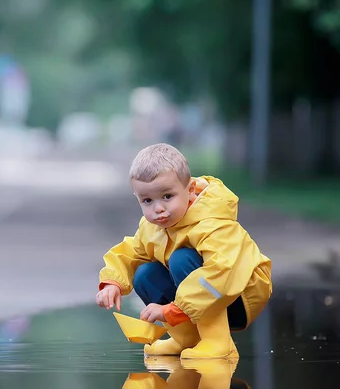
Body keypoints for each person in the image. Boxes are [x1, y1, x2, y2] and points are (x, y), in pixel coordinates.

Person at [95, 143, 272, 359]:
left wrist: (173, 310)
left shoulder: (212, 223)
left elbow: (222, 274)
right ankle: (186, 339)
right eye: (147, 200)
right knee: (144, 274)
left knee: (181, 259)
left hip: (239, 295)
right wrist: (112, 282)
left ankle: (217, 341)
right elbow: (130, 252)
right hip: (197, 300)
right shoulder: (154, 227)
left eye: (167, 196)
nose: (158, 208)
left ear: (189, 191)